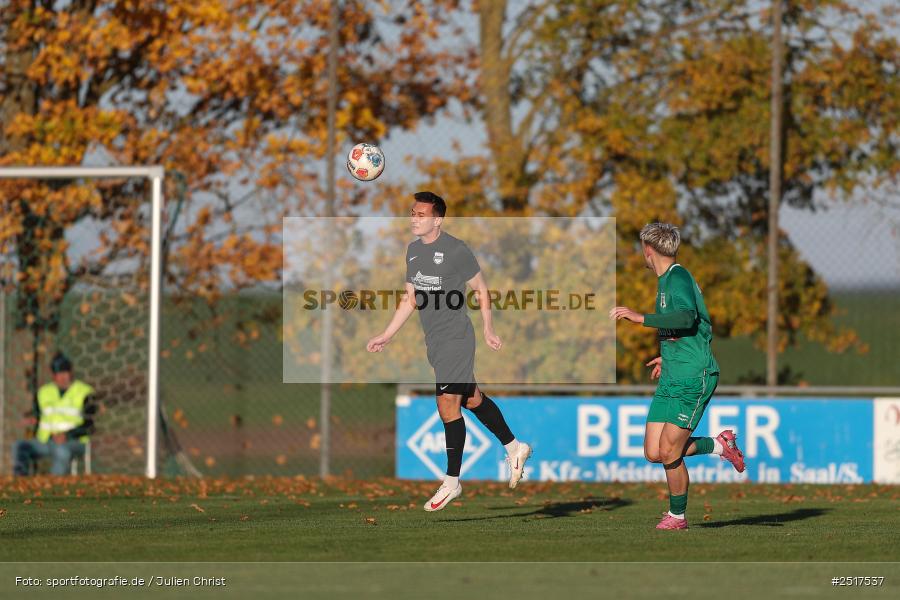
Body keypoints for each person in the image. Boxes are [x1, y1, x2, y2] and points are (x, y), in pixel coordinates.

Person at [367, 191, 532, 511]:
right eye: (412, 213)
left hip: (456, 339)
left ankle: (452, 481)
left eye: (421, 215)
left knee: (446, 406)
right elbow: (410, 299)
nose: (414, 219)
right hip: (436, 341)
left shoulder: (456, 250)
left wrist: (488, 328)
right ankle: (514, 447)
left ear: (437, 220)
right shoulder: (413, 251)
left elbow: (481, 290)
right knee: (471, 398)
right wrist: (387, 334)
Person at [610, 222, 744, 530]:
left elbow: (687, 317)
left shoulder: (678, 277)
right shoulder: (666, 281)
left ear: (649, 251)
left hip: (693, 376)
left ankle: (677, 517)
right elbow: (682, 329)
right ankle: (720, 445)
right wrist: (667, 356)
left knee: (670, 451)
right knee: (653, 452)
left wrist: (640, 317)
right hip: (673, 372)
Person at [12, 352, 96, 476]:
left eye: (65, 373)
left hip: (74, 442)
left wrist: (67, 436)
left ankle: (53, 485)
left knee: (62, 451)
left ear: (71, 373)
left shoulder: (85, 393)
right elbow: (38, 414)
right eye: (59, 373)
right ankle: (20, 484)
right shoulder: (43, 392)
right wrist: (33, 419)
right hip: (45, 441)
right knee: (20, 446)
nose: (62, 377)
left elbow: (89, 425)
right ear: (53, 375)